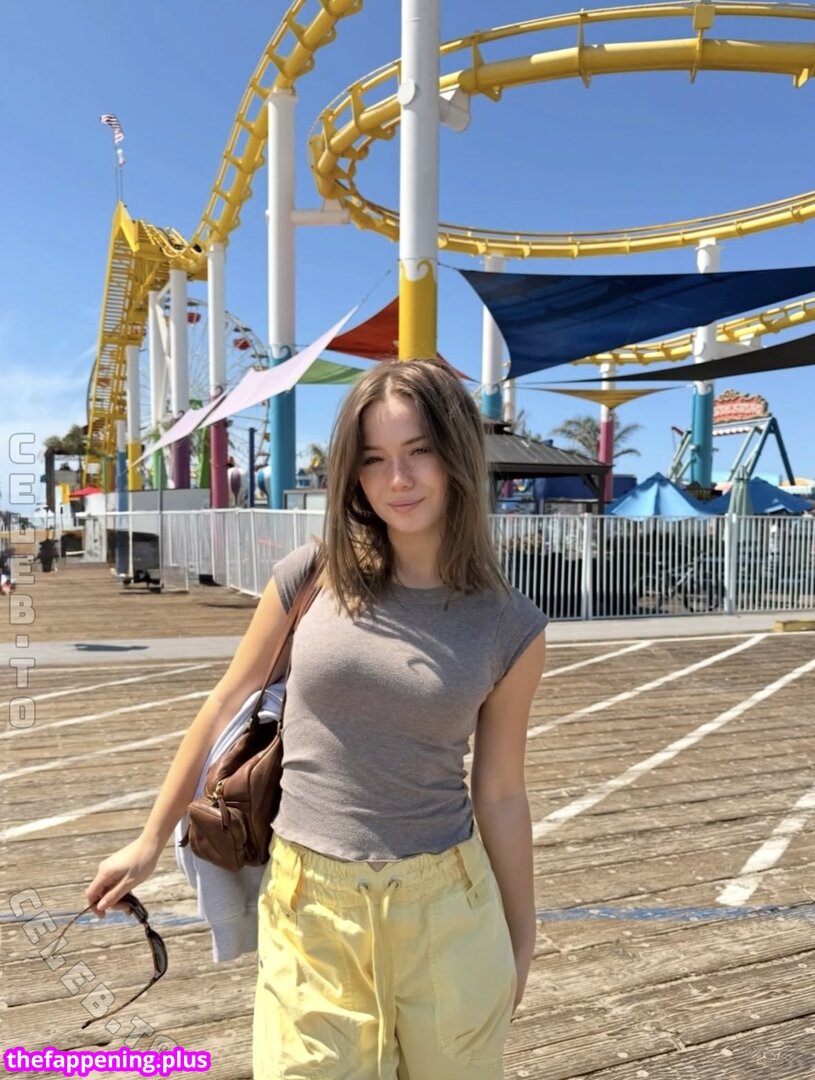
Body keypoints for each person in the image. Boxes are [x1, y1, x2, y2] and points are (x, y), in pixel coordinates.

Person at [87, 359, 548, 1079]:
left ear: (457, 454)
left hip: (449, 908)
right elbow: (224, 703)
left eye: (419, 451)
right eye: (374, 459)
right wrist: (148, 842)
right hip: (311, 905)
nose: (398, 478)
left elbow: (501, 793)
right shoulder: (313, 574)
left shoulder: (510, 625)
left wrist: (521, 939)